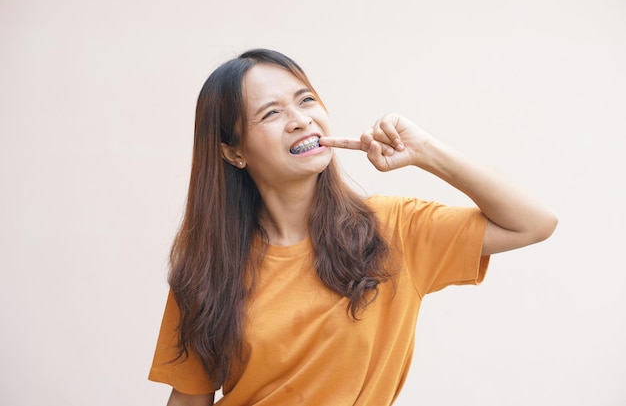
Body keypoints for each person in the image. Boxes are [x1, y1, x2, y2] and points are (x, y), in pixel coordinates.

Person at [148, 48, 558, 406]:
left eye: (306, 100)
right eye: (271, 113)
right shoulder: (207, 268)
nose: (299, 120)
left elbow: (534, 223)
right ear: (233, 151)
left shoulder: (395, 229)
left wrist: (425, 152)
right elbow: (188, 398)